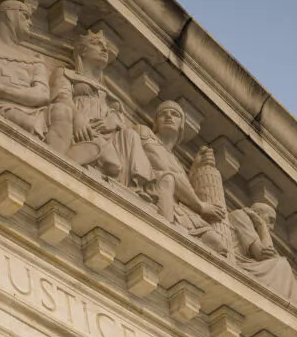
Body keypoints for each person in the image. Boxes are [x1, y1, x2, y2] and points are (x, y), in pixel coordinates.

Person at [47, 30, 151, 187]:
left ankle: (139, 187)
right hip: (81, 129)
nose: (104, 49)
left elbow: (117, 114)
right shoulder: (66, 74)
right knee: (111, 163)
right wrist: (78, 118)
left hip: (105, 134)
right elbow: (62, 96)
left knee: (129, 138)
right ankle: (75, 153)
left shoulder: (105, 91)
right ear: (82, 50)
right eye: (96, 44)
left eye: (105, 46)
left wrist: (113, 121)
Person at [138, 101, 226, 241]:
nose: (168, 116)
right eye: (163, 113)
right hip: (151, 192)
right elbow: (162, 166)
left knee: (216, 242)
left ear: (181, 126)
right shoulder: (145, 133)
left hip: (176, 209)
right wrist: (200, 206)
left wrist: (195, 169)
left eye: (175, 114)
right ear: (155, 123)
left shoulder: (177, 162)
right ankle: (165, 236)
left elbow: (182, 187)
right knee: (168, 178)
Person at [0, 0, 59, 139]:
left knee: (61, 112)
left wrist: (4, 90)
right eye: (25, 16)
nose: (31, 23)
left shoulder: (35, 59)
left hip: (37, 112)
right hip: (3, 108)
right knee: (24, 121)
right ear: (10, 15)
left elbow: (43, 95)